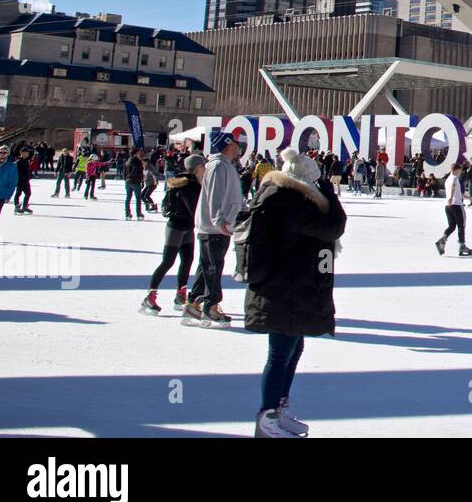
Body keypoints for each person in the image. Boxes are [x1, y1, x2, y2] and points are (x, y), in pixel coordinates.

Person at [244, 147, 347, 438]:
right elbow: (333, 227)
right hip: (284, 288)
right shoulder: (290, 201)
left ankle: (278, 408)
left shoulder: (282, 196)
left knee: (293, 348)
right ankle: (267, 415)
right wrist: (331, 194)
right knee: (280, 353)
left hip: (290, 286)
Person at [184, 128, 244, 327]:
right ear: (228, 145)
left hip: (217, 225)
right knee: (213, 266)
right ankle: (210, 305)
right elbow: (215, 195)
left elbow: (230, 194)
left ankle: (194, 302)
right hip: (215, 227)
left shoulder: (224, 165)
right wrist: (220, 220)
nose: (238, 148)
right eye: (235, 144)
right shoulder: (219, 165)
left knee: (206, 266)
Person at [140, 153, 205, 315]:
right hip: (176, 227)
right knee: (168, 261)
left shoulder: (195, 183)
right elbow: (194, 209)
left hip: (187, 227)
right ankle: (150, 296)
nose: (205, 168)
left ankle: (180, 295)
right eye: (203, 166)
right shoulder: (188, 185)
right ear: (196, 167)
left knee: (187, 260)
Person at [435, 162, 472, 257]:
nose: (460, 172)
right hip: (456, 205)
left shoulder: (448, 179)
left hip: (448, 206)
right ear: (457, 170)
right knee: (461, 225)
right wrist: (452, 197)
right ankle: (462, 245)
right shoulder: (455, 178)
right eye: (460, 170)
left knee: (452, 226)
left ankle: (442, 240)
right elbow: (453, 187)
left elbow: (458, 193)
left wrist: (469, 198)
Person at [11, 147, 34, 215]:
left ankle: (24, 206)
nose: (27, 154)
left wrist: (29, 176)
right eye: (25, 153)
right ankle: (16, 206)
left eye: (27, 153)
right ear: (21, 153)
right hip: (20, 180)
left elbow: (27, 170)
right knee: (18, 193)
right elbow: (17, 172)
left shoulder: (26, 160)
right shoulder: (18, 161)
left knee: (28, 193)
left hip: (26, 180)